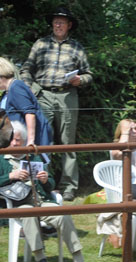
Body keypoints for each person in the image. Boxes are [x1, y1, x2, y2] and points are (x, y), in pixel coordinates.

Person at [0, 121, 92, 262]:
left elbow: (51, 186)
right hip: (18, 203)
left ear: (24, 141)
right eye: (11, 139)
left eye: (18, 140)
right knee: (29, 214)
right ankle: (41, 259)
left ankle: (79, 261)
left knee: (64, 216)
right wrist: (10, 176)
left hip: (41, 200)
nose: (14, 143)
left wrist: (45, 180)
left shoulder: (33, 155)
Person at [20, 6, 93, 202]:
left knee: (68, 143)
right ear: (52, 24)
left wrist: (80, 81)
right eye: (56, 21)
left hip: (68, 96)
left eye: (62, 21)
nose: (58, 24)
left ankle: (69, 187)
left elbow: (88, 74)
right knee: (44, 141)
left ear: (69, 25)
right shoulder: (40, 44)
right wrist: (33, 89)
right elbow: (26, 68)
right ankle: (46, 184)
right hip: (43, 95)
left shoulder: (77, 47)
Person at [0, 57, 52, 147]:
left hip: (30, 142)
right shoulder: (7, 92)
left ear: (0, 76)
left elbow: (30, 113)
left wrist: (30, 142)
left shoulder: (16, 88)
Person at [97, 118, 136, 248]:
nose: (134, 132)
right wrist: (125, 135)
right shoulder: (116, 147)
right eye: (131, 129)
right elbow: (118, 155)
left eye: (135, 128)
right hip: (123, 189)